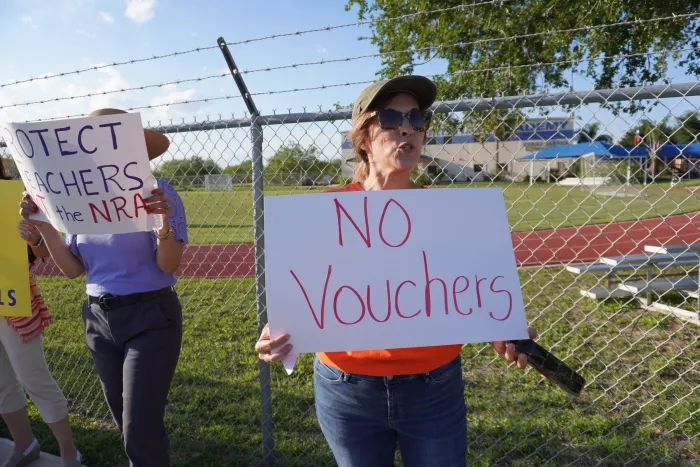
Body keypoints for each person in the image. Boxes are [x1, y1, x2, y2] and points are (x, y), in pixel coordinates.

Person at [255, 75, 538, 467]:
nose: (407, 128)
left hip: (433, 388)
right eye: (390, 118)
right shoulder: (325, 211)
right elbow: (304, 299)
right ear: (364, 139)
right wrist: (280, 332)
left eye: (417, 120)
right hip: (346, 389)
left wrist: (496, 324)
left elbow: (466, 294)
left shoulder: (450, 217)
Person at [18, 108, 188, 467]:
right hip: (98, 320)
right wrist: (43, 224)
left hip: (151, 318)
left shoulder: (161, 192)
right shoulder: (80, 201)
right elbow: (73, 270)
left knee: (139, 427)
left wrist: (163, 222)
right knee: (125, 425)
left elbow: (168, 265)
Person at [0, 158, 81, 467]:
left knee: (32, 377)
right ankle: (24, 443)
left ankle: (68, 451)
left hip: (14, 299)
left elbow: (41, 250)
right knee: (1, 381)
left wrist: (33, 239)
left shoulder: (15, 194)